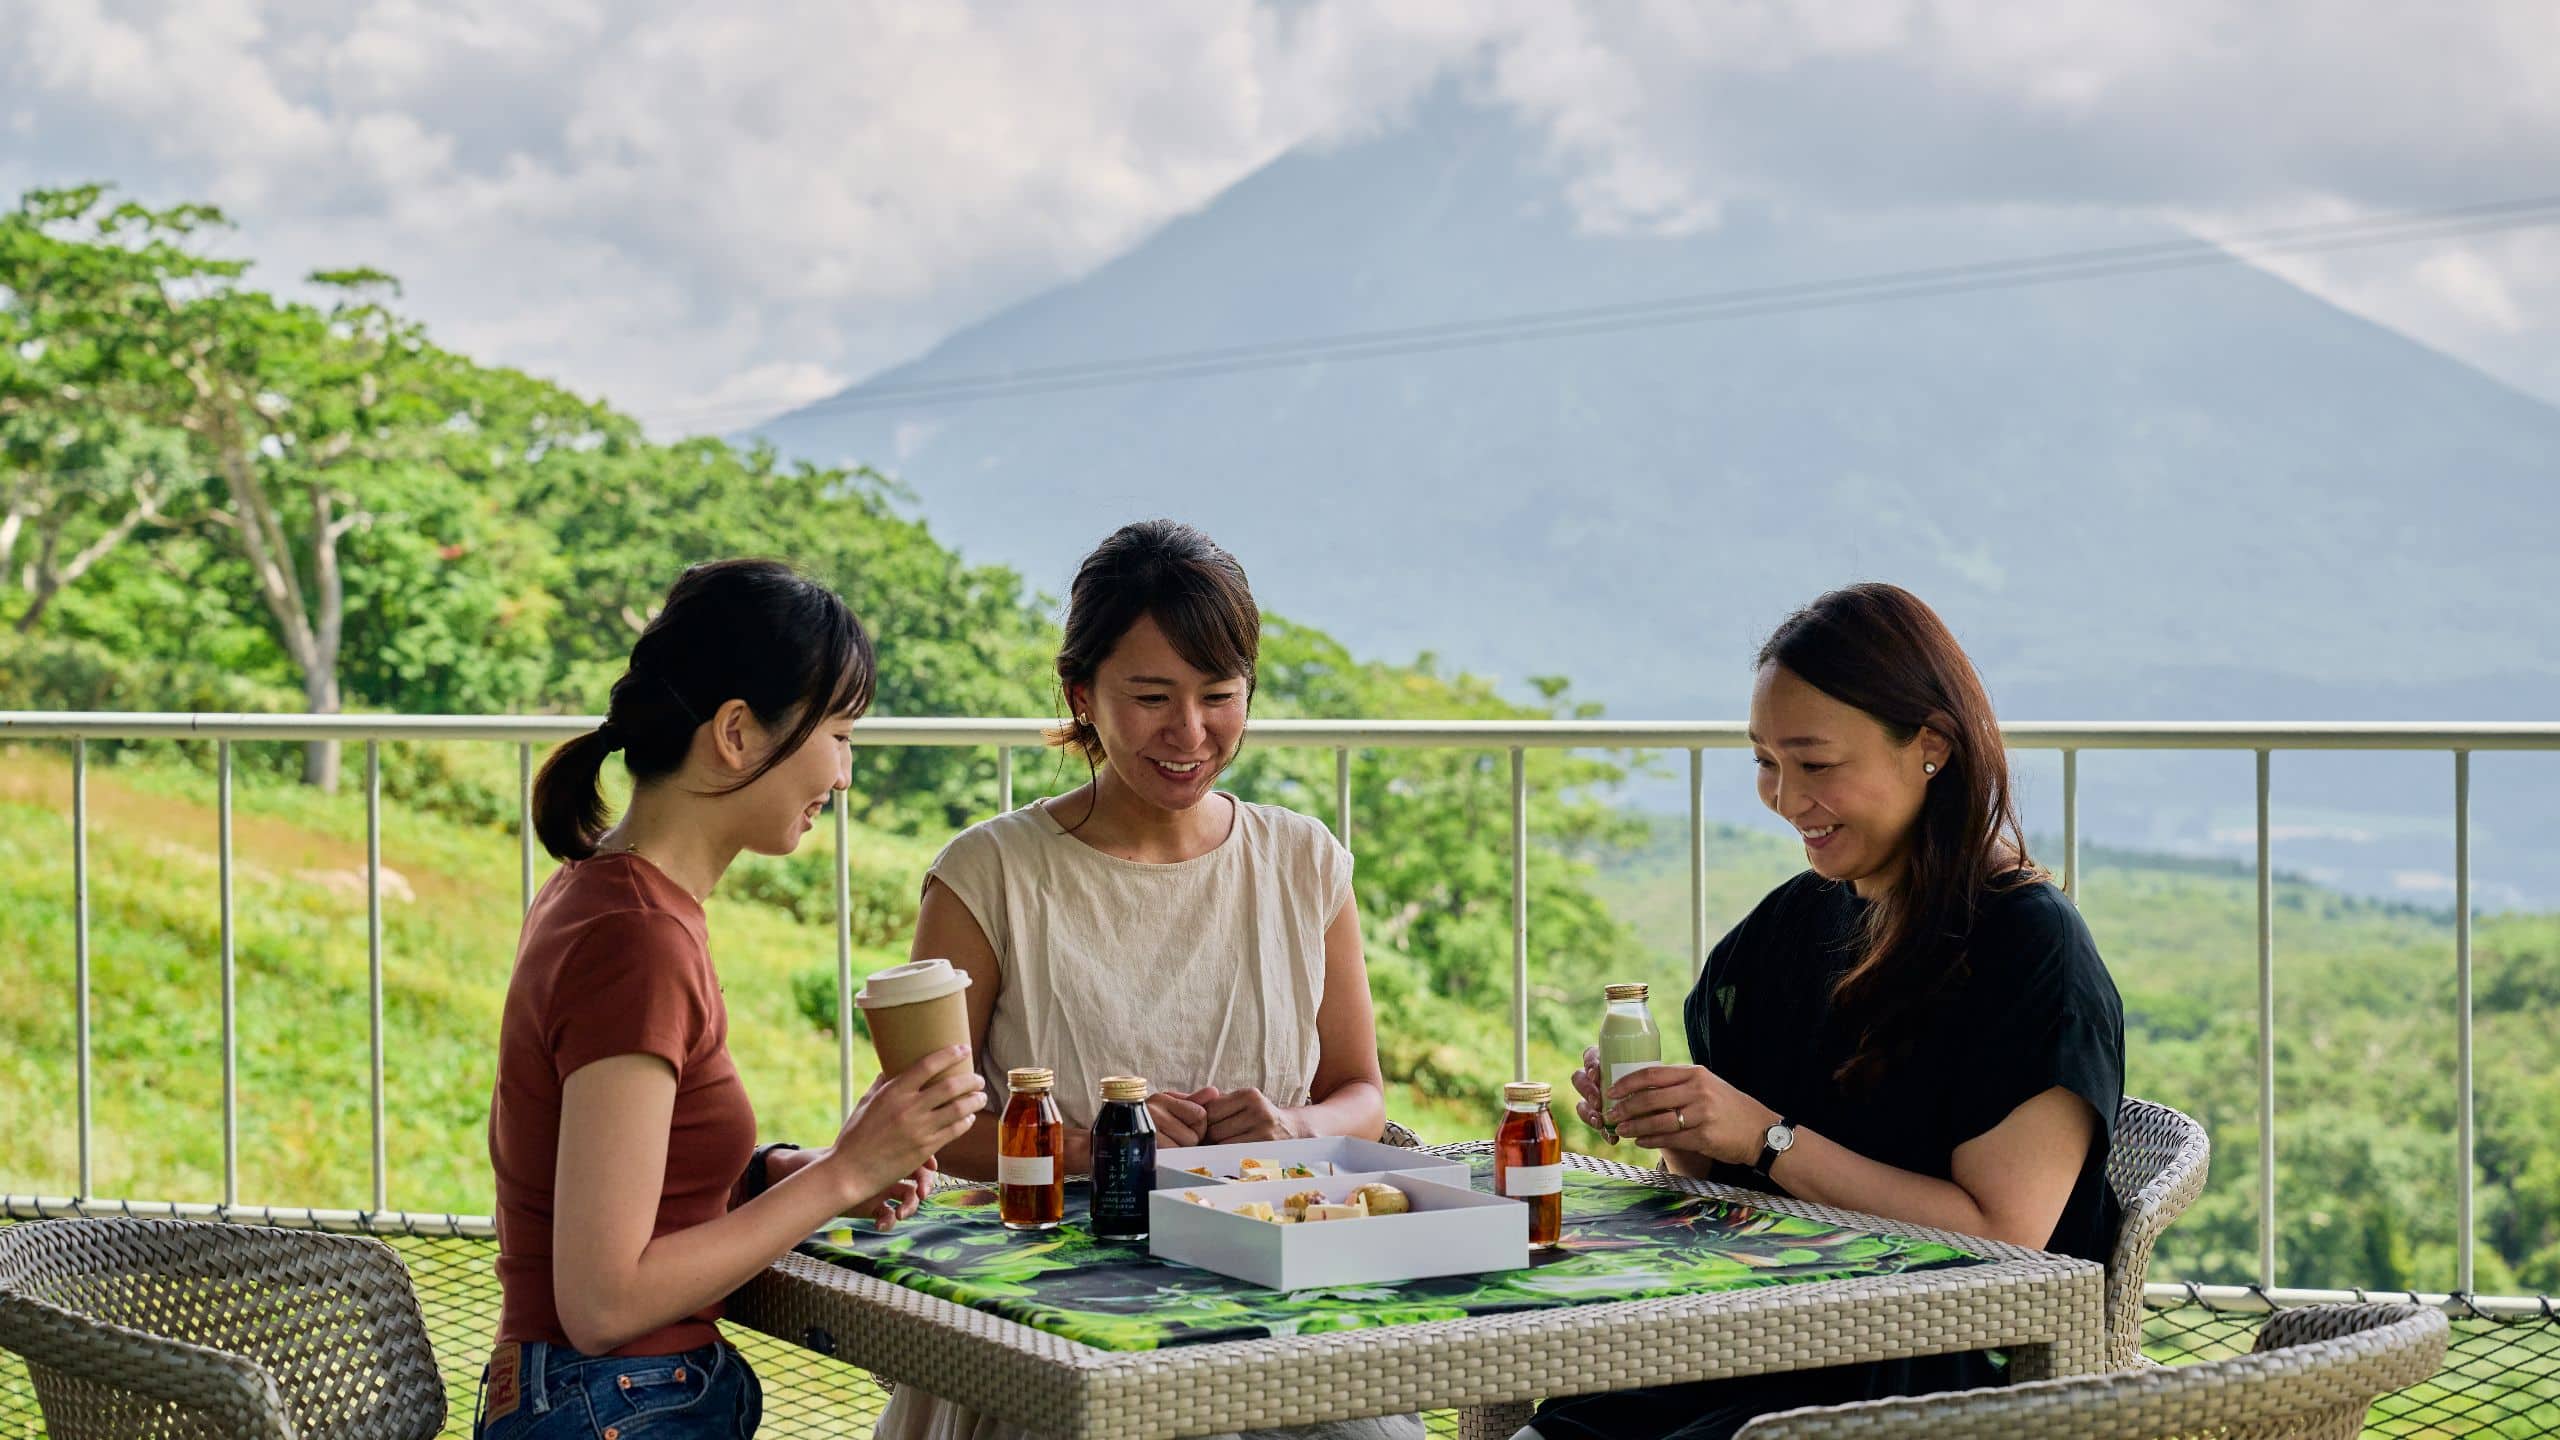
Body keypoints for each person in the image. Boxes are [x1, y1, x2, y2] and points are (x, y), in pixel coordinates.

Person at [1526, 583, 2126, 1440]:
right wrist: (1678, 1122)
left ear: (1931, 747)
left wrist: (1767, 1136)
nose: (1783, 796)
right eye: (1766, 761)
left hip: (1944, 1368)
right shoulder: (1794, 925)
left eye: (1816, 763)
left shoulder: (2029, 948)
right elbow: (1718, 1180)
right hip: (1768, 1332)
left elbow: (2005, 1234)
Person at [875, 520, 1415, 1440]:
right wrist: (1094, 1151)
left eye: (1219, 695)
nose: (1191, 732)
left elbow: (1359, 1092)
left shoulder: (1302, 862)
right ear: (1082, 694)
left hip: (1272, 1309)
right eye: (1152, 696)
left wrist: (1294, 1128)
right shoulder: (991, 873)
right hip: (1055, 1326)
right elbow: (927, 1125)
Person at [481, 558, 988, 1439]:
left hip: (609, 1401)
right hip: (616, 1405)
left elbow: (614, 1181)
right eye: (839, 735)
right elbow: (603, 1301)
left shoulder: (607, 895)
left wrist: (765, 1178)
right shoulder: (634, 938)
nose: (844, 776)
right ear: (737, 733)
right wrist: (842, 1176)